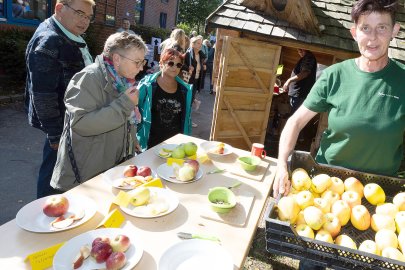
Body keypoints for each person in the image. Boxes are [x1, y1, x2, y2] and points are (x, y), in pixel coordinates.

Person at [273, 1, 404, 269]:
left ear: (396, 31)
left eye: (382, 27)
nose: (373, 37)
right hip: (326, 191)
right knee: (313, 264)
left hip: (380, 203)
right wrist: (280, 167)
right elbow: (294, 123)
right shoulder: (335, 76)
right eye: (366, 28)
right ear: (353, 32)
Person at [50, 32, 147, 191]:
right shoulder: (88, 78)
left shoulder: (122, 81)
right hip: (84, 176)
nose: (141, 67)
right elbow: (80, 124)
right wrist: (124, 104)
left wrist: (131, 139)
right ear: (117, 59)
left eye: (142, 62)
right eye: (137, 62)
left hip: (107, 169)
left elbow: (123, 119)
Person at [25, 0, 95, 198]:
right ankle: (43, 218)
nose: (85, 21)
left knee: (63, 172)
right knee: (53, 176)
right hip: (60, 125)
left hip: (72, 121)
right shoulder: (49, 40)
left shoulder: (70, 35)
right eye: (79, 13)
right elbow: (43, 95)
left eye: (88, 16)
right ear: (59, 8)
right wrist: (55, 136)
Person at [136, 48, 193, 150]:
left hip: (176, 144)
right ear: (161, 63)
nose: (174, 67)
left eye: (178, 65)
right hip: (151, 144)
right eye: (171, 63)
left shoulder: (185, 90)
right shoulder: (147, 86)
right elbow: (135, 112)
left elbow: (186, 118)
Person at [283, 49, 317, 114]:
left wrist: (289, 81)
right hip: (298, 95)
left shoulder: (308, 58)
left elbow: (305, 73)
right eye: (298, 50)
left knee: (295, 117)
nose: (299, 52)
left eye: (301, 50)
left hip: (299, 95)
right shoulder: (305, 58)